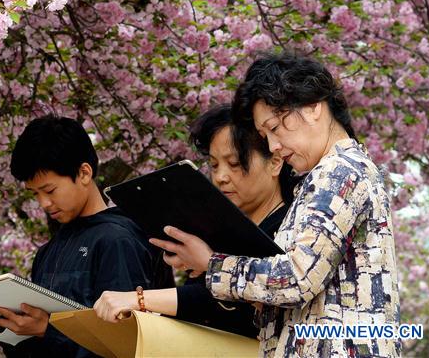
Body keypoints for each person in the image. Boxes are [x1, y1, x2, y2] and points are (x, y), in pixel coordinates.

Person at [150, 52, 401, 357]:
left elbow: (296, 279)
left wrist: (211, 263)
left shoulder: (338, 170)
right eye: (265, 135)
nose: (273, 146)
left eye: (275, 127)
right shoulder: (339, 171)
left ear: (312, 108)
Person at [93, 104, 297, 338]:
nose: (220, 177)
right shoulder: (218, 231)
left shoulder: (292, 229)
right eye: (213, 165)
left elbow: (224, 303)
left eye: (234, 164)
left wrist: (140, 299)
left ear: (275, 162)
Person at [0, 115, 173, 357]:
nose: (44, 203)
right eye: (34, 194)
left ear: (84, 173)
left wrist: (46, 330)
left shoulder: (118, 240)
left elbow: (127, 343)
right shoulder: (47, 252)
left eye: (49, 190)